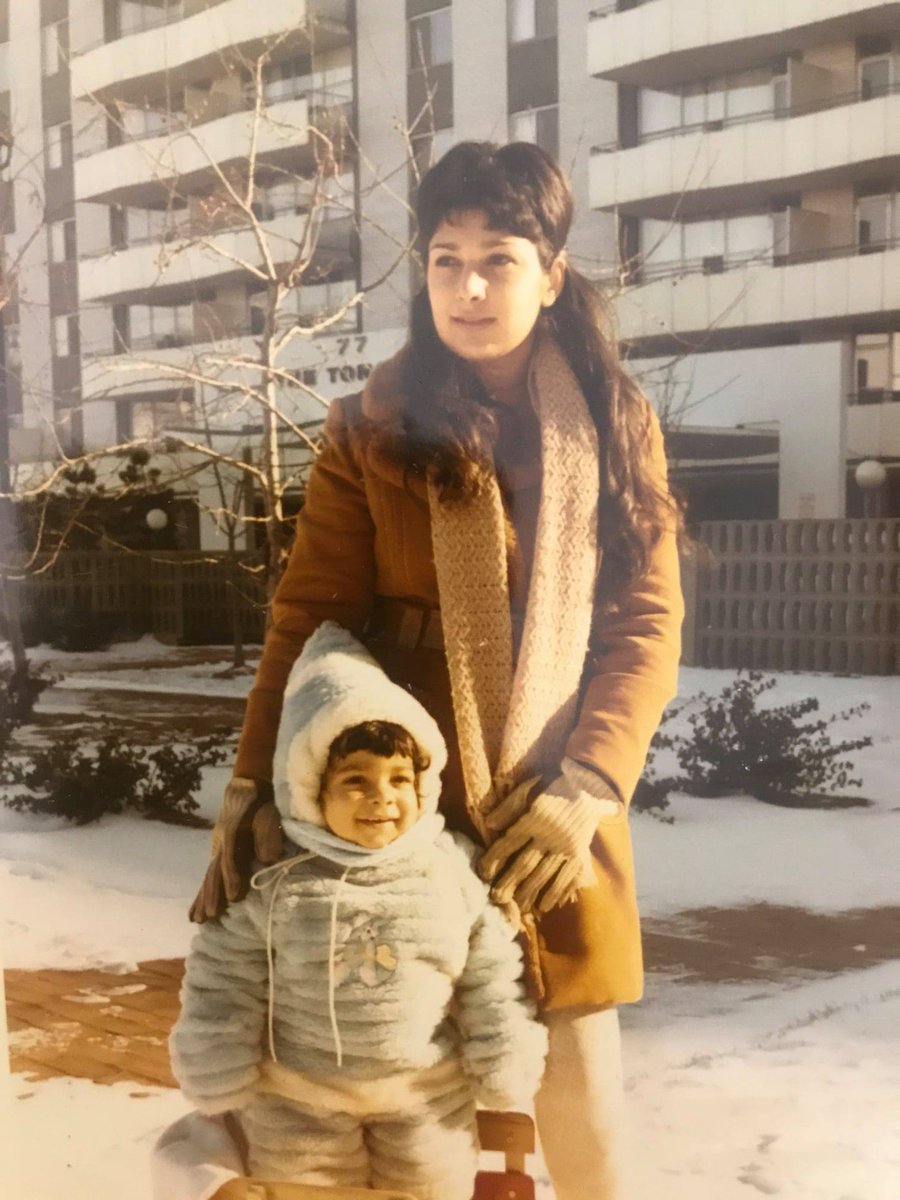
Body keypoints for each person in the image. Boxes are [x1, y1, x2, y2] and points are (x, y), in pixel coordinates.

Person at [190, 140, 684, 1200]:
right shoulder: (371, 426)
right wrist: (250, 785)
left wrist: (587, 788)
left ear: (551, 275)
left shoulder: (613, 421)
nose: (467, 285)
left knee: (573, 1059)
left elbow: (645, 623)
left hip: (552, 788)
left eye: (498, 259)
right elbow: (310, 618)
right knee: (395, 1064)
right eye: (444, 257)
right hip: (397, 780)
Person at [167, 622, 547, 1200]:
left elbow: (490, 971)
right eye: (355, 780)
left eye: (400, 778)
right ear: (310, 785)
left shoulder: (449, 870)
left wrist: (502, 1050)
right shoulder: (277, 877)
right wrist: (217, 1053)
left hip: (426, 1096)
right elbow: (225, 970)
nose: (381, 797)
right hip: (301, 1098)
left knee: (430, 1194)